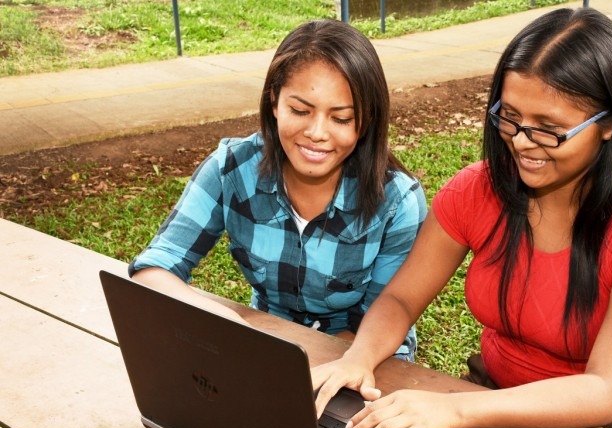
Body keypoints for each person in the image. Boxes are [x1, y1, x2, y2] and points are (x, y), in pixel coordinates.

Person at [311, 7, 612, 428]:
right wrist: (360, 356)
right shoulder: (478, 189)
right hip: (488, 399)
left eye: (549, 130)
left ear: (610, 124)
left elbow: (606, 390)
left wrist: (454, 409)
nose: (521, 142)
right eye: (509, 117)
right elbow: (401, 301)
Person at [128, 19, 427, 360]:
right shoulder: (232, 169)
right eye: (300, 110)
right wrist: (229, 325)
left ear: (367, 119)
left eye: (341, 119)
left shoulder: (398, 202)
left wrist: (286, 359)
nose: (317, 132)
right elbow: (154, 268)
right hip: (264, 348)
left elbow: (381, 320)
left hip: (366, 359)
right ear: (274, 101)